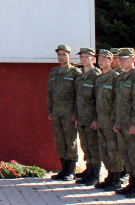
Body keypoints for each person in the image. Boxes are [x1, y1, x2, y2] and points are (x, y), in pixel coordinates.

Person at [113, 47, 135, 198]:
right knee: (126, 155)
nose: (122, 61)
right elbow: (117, 102)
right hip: (121, 123)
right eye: (120, 59)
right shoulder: (120, 77)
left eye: (125, 59)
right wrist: (116, 121)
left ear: (133, 60)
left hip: (131, 125)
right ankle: (131, 184)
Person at [47, 44, 79, 181]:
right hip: (57, 113)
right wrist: (50, 111)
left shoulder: (75, 73)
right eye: (59, 54)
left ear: (69, 56)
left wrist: (76, 113)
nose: (61, 57)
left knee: (70, 140)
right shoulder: (53, 72)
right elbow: (50, 93)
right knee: (59, 140)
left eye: (64, 54)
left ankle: (71, 171)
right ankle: (63, 169)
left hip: (69, 113)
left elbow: (79, 94)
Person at [94, 49, 123, 191]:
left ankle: (116, 179)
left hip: (111, 122)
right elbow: (96, 101)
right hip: (101, 120)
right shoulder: (99, 78)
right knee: (104, 151)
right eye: (100, 58)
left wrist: (116, 120)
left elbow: (118, 101)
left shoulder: (115, 77)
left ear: (111, 61)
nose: (101, 61)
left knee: (114, 151)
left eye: (105, 59)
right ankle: (110, 176)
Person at [74, 47, 101, 186]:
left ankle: (95, 174)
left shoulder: (96, 75)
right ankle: (89, 171)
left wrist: (96, 118)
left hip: (92, 118)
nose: (84, 59)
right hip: (82, 118)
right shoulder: (80, 76)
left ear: (93, 59)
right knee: (85, 146)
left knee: (93, 146)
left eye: (86, 57)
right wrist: (77, 117)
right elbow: (78, 99)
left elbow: (98, 99)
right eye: (82, 57)